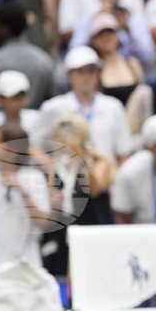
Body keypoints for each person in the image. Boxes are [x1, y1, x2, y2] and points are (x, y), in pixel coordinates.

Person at [0, 123, 52, 269]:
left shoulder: (35, 178)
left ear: (13, 149)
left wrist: (23, 192)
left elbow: (43, 222)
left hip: (28, 267)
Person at [42, 112, 117, 276]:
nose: (61, 141)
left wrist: (81, 157)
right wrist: (53, 204)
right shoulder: (55, 168)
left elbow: (96, 189)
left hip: (92, 229)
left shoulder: (98, 161)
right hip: (64, 235)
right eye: (58, 136)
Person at [40, 46, 135, 163]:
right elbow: (37, 146)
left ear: (98, 73)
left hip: (106, 176)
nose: (86, 77)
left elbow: (123, 151)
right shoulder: (53, 107)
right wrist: (52, 170)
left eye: (91, 71)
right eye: (80, 71)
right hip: (68, 176)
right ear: (69, 75)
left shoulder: (113, 106)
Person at [0, 71, 49, 160]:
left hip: (32, 172)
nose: (19, 101)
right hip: (0, 171)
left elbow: (47, 153)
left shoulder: (37, 118)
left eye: (21, 96)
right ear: (1, 99)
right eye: (14, 97)